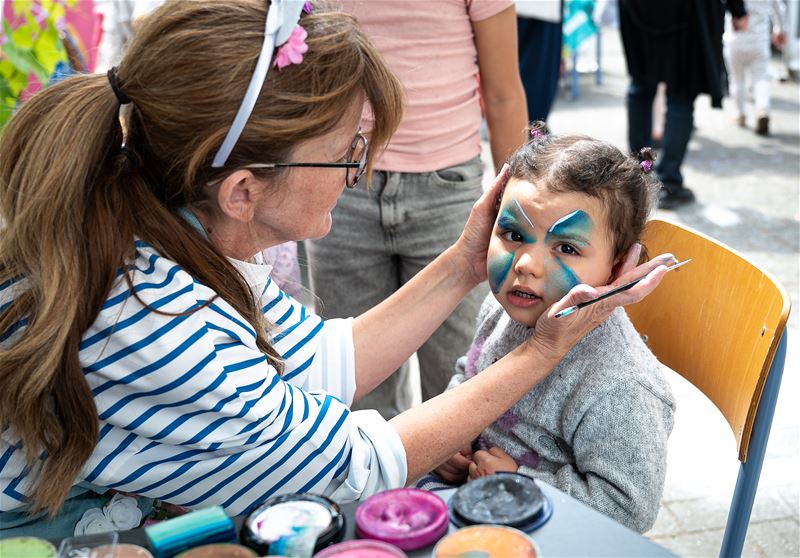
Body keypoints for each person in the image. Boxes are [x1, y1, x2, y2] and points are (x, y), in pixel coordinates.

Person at [0, 0, 671, 539]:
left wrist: (467, 264)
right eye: (346, 155)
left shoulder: (173, 234)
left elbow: (323, 358)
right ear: (242, 191)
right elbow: (353, 465)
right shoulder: (154, 320)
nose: (359, 176)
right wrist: (547, 348)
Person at [425, 125, 676, 533]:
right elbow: (466, 373)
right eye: (512, 234)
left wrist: (522, 487)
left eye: (566, 248)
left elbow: (630, 508)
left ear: (617, 268)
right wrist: (451, 437)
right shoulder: (500, 307)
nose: (526, 264)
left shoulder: (620, 384)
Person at [306, 0, 529, 420]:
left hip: (448, 193)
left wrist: (517, 213)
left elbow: (502, 93)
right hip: (340, 184)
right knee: (351, 389)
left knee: (462, 383)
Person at [619, 0, 748, 210]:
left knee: (642, 85)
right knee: (680, 94)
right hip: (686, 13)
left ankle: (637, 174)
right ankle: (667, 181)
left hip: (641, 10)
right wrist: (738, 10)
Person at [724, 0, 787, 136]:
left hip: (735, 39)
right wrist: (779, 29)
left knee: (736, 78)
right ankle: (762, 109)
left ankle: (739, 114)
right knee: (760, 78)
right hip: (759, 41)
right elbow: (780, 10)